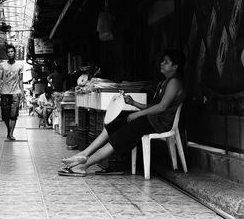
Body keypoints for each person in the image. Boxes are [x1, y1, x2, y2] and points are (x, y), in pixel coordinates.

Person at [59, 49, 185, 177]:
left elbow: (162, 107)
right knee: (115, 123)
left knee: (122, 134)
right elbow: (152, 106)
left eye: (166, 62)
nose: (162, 63)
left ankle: (83, 165)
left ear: (175, 67)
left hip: (159, 124)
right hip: (150, 120)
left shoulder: (174, 82)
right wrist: (133, 103)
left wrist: (137, 114)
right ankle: (84, 154)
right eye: (163, 61)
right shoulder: (164, 82)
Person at [0, 44, 25, 140]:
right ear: (6, 54)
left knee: (13, 115)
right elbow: (0, 78)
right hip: (5, 93)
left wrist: (22, 91)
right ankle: (9, 132)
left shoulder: (20, 65)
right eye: (8, 52)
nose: (10, 53)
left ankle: (11, 134)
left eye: (12, 51)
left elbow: (21, 80)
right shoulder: (2, 65)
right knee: (5, 115)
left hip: (15, 93)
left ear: (15, 53)